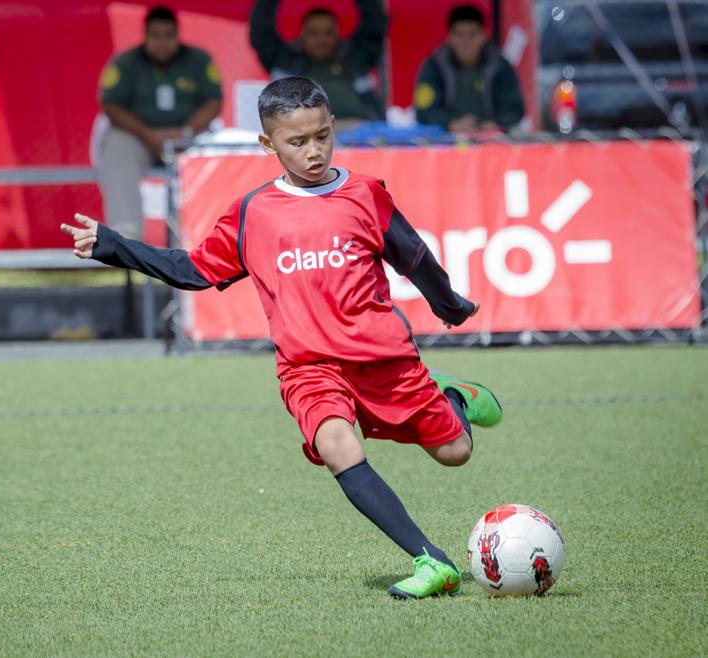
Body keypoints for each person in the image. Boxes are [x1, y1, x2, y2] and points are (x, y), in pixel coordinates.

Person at [62, 77, 503, 600]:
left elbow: (415, 257)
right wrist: (113, 245)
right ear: (267, 144)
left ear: (333, 126)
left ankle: (453, 397)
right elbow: (193, 270)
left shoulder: (366, 194)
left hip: (383, 357)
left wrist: (449, 304)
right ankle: (432, 561)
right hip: (308, 366)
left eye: (321, 136)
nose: (313, 151)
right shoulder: (255, 212)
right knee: (336, 445)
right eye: (297, 141)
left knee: (455, 452)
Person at [97, 6, 222, 239]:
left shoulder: (199, 60)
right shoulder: (125, 63)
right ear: (145, 36)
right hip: (139, 138)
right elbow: (111, 106)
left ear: (177, 35)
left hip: (187, 139)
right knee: (116, 147)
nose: (162, 43)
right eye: (156, 36)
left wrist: (185, 132)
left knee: (218, 147)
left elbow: (213, 102)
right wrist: (147, 134)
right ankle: (125, 237)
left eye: (168, 35)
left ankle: (205, 235)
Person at [250, 0, 387, 125]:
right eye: (314, 33)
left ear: (338, 35)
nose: (322, 39)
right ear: (301, 35)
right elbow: (261, 30)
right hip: (300, 134)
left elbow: (375, 23)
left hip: (360, 133)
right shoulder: (284, 60)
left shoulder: (357, 58)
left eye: (328, 33)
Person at [414, 4, 525, 135]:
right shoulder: (433, 67)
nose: (466, 41)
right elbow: (423, 110)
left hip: (492, 139)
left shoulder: (501, 67)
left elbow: (515, 109)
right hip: (446, 139)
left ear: (483, 36)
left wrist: (495, 124)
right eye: (460, 34)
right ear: (449, 37)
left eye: (472, 34)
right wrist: (450, 124)